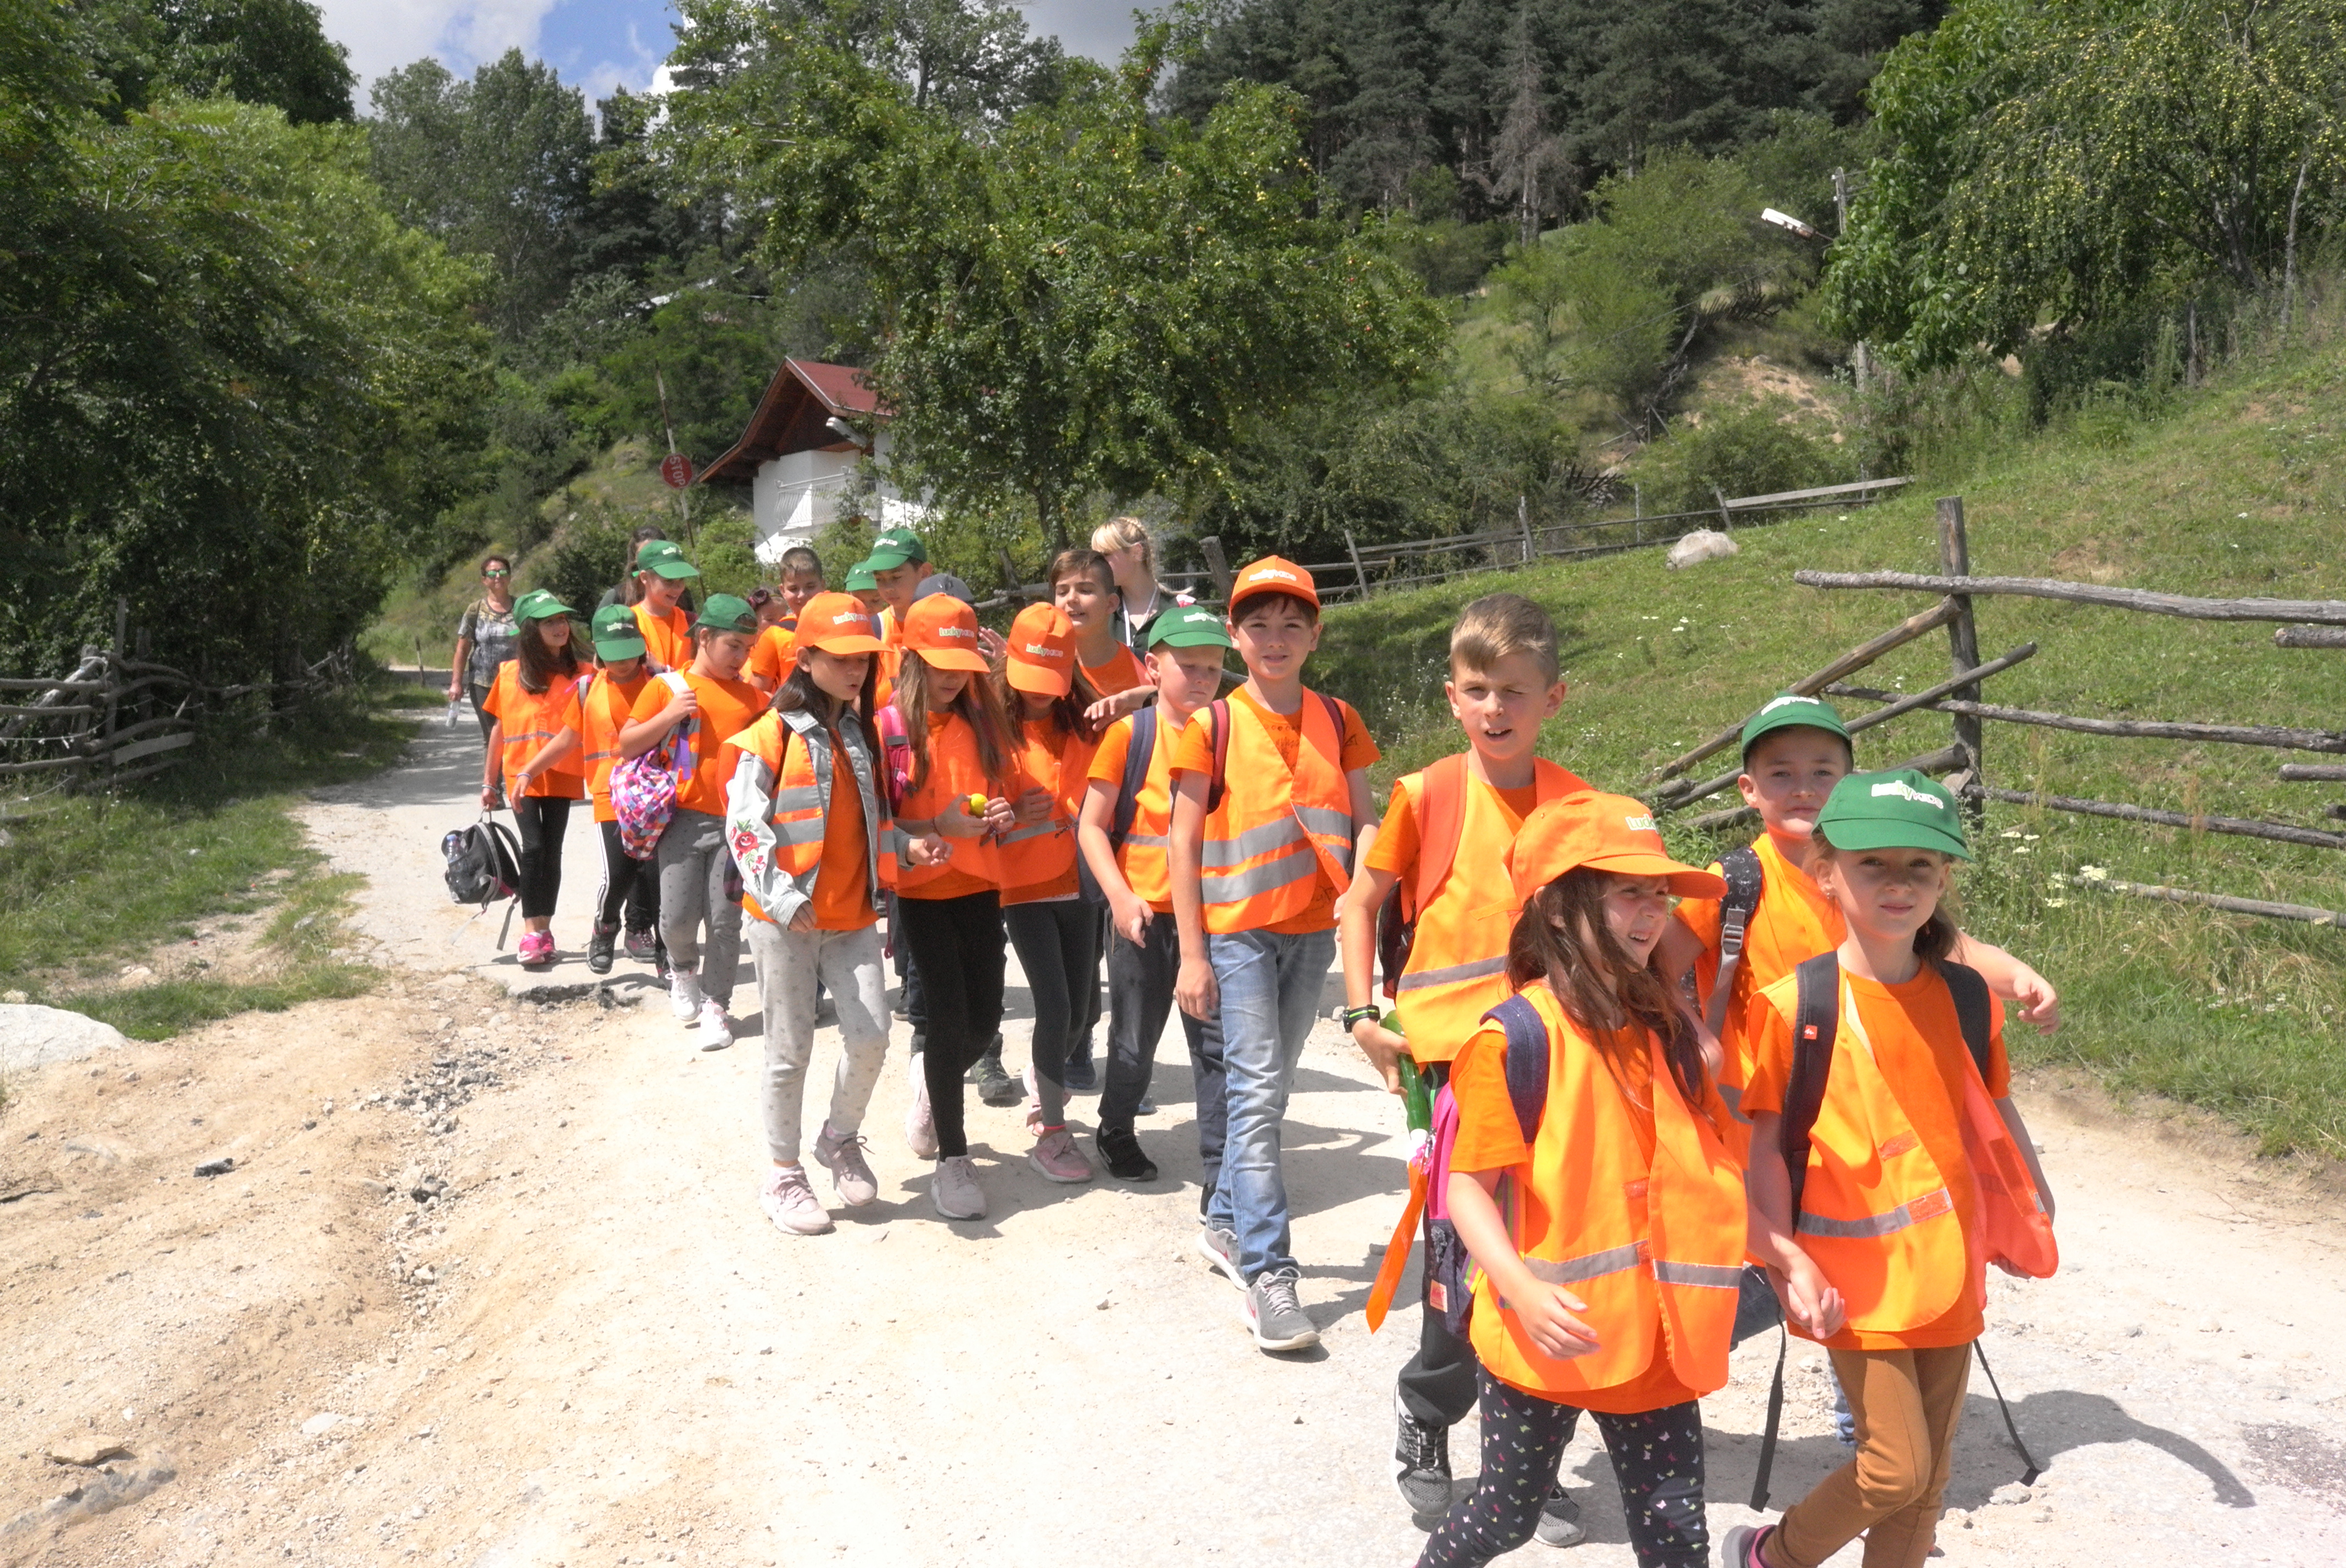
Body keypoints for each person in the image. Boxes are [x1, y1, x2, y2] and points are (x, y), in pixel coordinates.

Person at [1722, 769, 2058, 1568]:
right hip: (1854, 1280)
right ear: (1828, 873)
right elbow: (1764, 1148)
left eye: (1921, 867)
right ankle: (1774, 1555)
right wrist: (1783, 1252)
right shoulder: (1793, 1005)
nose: (1899, 884)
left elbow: (1993, 1112)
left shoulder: (1970, 999)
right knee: (1895, 1466)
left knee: (1928, 1485)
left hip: (1949, 1269)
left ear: (1945, 879)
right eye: (1874, 864)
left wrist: (2032, 1200)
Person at [1415, 794, 1746, 1568]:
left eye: (1660, 895)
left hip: (1655, 1337)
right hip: (1544, 1339)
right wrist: (1524, 1291)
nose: (1653, 912)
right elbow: (1467, 1188)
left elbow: (1700, 1150)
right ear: (1560, 911)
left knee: (1676, 1533)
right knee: (1506, 1514)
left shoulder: (1659, 1024)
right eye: (1629, 892)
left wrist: (1789, 1255)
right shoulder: (1515, 1041)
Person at [1332, 593, 1591, 1537]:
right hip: (1446, 1068)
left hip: (1549, 1064)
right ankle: (1428, 1411)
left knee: (1547, 1254)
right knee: (1459, 1263)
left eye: (1513, 691)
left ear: (1551, 697)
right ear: (1451, 696)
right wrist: (1362, 1011)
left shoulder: (1575, 806)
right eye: (1477, 690)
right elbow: (1359, 905)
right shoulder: (1426, 794)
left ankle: (1527, 1455)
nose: (1495, 708)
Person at [1661, 695, 2062, 1118]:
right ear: (1749, 790)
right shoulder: (1737, 881)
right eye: (1781, 774)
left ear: (1849, 782)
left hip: (1867, 1095)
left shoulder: (1875, 873)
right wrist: (1696, 1039)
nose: (1804, 788)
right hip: (1762, 1104)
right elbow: (1656, 968)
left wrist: (2018, 976)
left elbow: (1945, 945)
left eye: (1823, 772)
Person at [1169, 557, 1378, 1353]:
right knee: (1257, 1097)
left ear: (1316, 633)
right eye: (1259, 624)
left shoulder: (1339, 717)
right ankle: (1269, 1273)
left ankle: (1224, 1222)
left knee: (1274, 1087)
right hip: (1238, 937)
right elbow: (1181, 842)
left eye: (1293, 624)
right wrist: (1192, 955)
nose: (1276, 638)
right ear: (1235, 633)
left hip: (1310, 934)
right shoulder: (1211, 726)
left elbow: (1364, 822)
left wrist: (1362, 906)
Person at [723, 591, 942, 1235]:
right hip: (782, 920)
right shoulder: (768, 735)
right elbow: (744, 828)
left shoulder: (856, 732)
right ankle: (784, 1174)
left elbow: (865, 823)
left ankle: (839, 1138)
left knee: (873, 1035)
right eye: (841, 657)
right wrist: (784, 899)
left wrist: (906, 844)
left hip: (850, 919)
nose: (856, 669)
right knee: (788, 1052)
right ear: (806, 657)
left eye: (864, 658)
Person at [1076, 603, 1232, 1188]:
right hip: (1142, 915)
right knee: (1136, 1038)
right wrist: (1119, 898)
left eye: (1213, 670)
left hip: (1214, 917)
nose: (1200, 679)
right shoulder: (1130, 735)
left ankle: (1221, 1158)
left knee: (1214, 1043)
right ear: (1151, 667)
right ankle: (1115, 1127)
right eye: (1187, 666)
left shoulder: (1229, 735)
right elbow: (1091, 826)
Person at [889, 593, 1018, 1221]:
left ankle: (929, 1089)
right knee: (944, 1020)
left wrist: (1000, 814)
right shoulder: (891, 725)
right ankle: (954, 1158)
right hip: (921, 891)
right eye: (938, 660)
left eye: (961, 661)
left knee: (985, 1020)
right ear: (912, 658)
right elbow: (884, 819)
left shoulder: (983, 723)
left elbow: (997, 799)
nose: (950, 672)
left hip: (981, 885)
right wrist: (932, 826)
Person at [618, 593, 767, 1043]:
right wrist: (668, 716)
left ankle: (717, 1006)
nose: (741, 657)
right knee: (678, 918)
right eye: (733, 646)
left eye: (748, 648)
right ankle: (683, 969)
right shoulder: (667, 688)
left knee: (725, 922)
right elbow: (626, 744)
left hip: (734, 827)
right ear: (704, 637)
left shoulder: (755, 698)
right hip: (681, 820)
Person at [994, 602, 1107, 1184]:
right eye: (1028, 683)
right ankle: (1053, 1130)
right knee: (1057, 1004)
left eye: (1051, 684)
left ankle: (1046, 1077)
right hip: (1023, 888)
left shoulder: (1085, 721)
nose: (1039, 696)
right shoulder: (990, 726)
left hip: (1082, 884)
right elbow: (968, 804)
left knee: (1087, 1010)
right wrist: (1005, 812)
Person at [478, 590, 588, 970]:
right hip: (520, 777)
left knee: (552, 850)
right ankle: (530, 930)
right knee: (533, 847)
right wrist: (488, 783)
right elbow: (498, 731)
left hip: (561, 773)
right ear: (530, 630)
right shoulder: (509, 674)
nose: (560, 627)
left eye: (562, 620)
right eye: (549, 622)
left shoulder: (583, 673)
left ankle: (544, 929)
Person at [571, 604, 662, 977]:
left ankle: (658, 948)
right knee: (619, 875)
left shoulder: (661, 683)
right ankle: (605, 927)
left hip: (654, 797)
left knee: (654, 876)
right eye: (614, 655)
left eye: (630, 653)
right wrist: (529, 770)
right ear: (597, 647)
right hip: (609, 796)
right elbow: (567, 738)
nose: (623, 663)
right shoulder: (587, 689)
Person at [1051, 547, 1153, 722]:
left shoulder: (1146, 667)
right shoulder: (1048, 670)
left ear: (1111, 604)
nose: (1071, 599)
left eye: (1085, 590)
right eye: (1062, 592)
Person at [1092, 514, 1195, 651]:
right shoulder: (1100, 610)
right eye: (1097, 557)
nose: (1098, 564)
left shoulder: (1183, 609)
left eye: (1106, 554)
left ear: (1137, 552)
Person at [448, 556, 519, 753]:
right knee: (491, 735)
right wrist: (456, 682)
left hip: (517, 682)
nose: (498, 576)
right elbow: (462, 648)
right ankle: (493, 784)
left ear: (510, 577)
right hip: (483, 683)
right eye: (492, 573)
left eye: (503, 572)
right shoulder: (475, 610)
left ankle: (518, 781)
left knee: (517, 734)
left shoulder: (522, 608)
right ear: (484, 580)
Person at [628, 539, 702, 675]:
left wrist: (662, 668)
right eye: (668, 581)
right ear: (644, 578)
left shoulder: (691, 621)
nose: (678, 588)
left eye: (682, 580)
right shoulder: (629, 623)